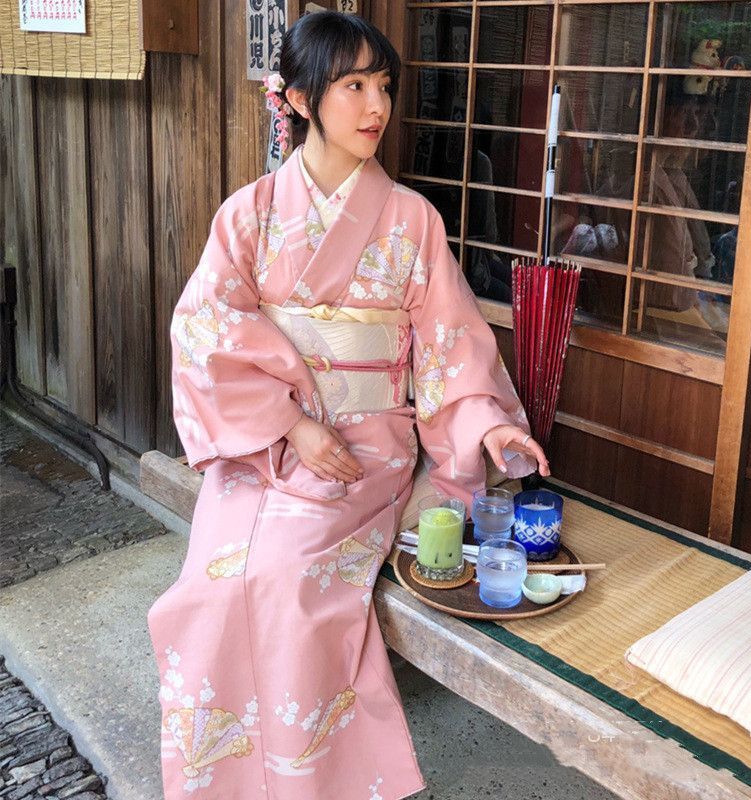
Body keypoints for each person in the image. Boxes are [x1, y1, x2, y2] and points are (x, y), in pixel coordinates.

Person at [148, 11, 549, 800]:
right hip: (267, 443)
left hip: (365, 449)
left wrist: (489, 425)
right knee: (209, 588)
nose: (376, 106)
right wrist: (291, 423)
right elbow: (203, 330)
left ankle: (308, 782)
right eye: (354, 85)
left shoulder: (412, 221)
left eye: (384, 86)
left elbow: (451, 346)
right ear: (299, 99)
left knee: (287, 577)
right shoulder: (249, 214)